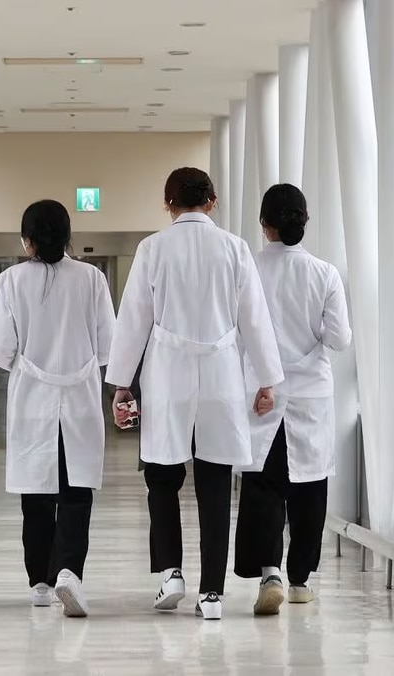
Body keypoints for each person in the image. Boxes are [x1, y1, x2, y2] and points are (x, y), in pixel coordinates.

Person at [105, 167, 284, 621]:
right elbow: (255, 319)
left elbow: (133, 321)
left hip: (167, 371)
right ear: (212, 200)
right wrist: (268, 379)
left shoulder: (152, 248)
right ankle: (212, 594)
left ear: (168, 204)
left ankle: (171, 573)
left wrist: (123, 382)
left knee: (162, 477)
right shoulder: (235, 248)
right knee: (215, 481)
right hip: (221, 371)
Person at [0, 199, 116, 618]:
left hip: (33, 400)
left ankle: (40, 582)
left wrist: (29, 360)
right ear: (67, 236)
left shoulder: (10, 280)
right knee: (77, 492)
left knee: (36, 495)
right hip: (78, 397)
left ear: (27, 240)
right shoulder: (93, 279)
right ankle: (69, 573)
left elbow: (0, 350)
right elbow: (107, 347)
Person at [234, 183, 352, 616]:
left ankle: (270, 572)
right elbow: (339, 338)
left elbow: (237, 334)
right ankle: (301, 580)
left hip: (262, 392)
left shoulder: (249, 269)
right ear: (305, 221)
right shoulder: (324, 272)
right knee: (309, 486)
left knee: (264, 483)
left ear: (264, 225)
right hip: (311, 394)